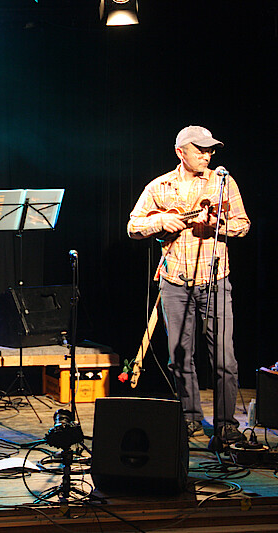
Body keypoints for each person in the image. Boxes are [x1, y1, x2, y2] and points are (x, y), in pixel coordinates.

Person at [127, 125, 250, 445]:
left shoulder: (222, 182)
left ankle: (225, 424)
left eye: (210, 150)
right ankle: (190, 417)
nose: (207, 156)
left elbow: (242, 224)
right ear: (180, 152)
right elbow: (133, 226)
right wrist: (160, 221)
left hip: (214, 280)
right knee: (179, 357)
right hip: (175, 282)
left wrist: (218, 225)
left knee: (224, 359)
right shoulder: (160, 186)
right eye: (200, 150)